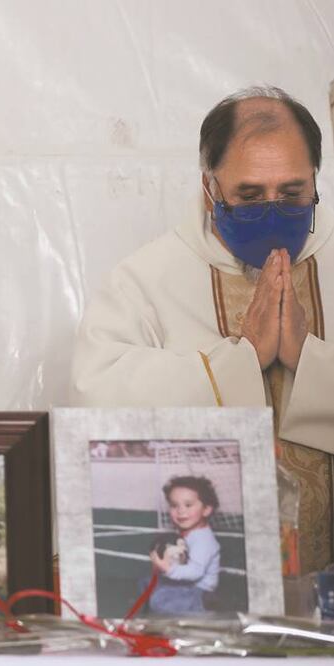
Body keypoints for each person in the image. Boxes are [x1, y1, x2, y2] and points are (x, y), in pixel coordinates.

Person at [71, 86, 334, 574]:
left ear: (316, 180)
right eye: (250, 196)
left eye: (293, 194)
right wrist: (239, 361)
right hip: (205, 593)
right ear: (210, 187)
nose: (272, 212)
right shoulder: (146, 278)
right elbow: (96, 404)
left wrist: (306, 357)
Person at [148, 476, 221, 615]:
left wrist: (168, 568)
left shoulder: (203, 540)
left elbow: (195, 572)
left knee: (158, 600)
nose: (180, 511)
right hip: (187, 584)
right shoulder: (188, 530)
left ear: (206, 510)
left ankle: (203, 611)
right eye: (174, 505)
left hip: (201, 592)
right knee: (147, 583)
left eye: (188, 505)